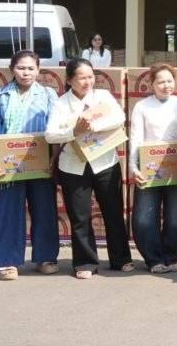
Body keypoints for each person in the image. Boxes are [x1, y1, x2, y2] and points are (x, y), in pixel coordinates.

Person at [46, 57, 132, 278]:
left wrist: (93, 126)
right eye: (81, 78)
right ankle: (85, 262)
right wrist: (74, 131)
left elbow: (120, 117)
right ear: (69, 80)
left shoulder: (102, 96)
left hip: (105, 163)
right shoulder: (60, 103)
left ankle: (121, 258)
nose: (87, 82)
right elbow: (50, 134)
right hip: (73, 167)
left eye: (90, 76)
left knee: (113, 212)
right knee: (80, 217)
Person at [0, 50, 59, 280]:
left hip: (40, 161)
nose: (26, 73)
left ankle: (46, 257)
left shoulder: (48, 94)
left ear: (38, 70)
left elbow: (56, 127)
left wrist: (54, 157)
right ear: (12, 69)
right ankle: (7, 262)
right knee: (8, 213)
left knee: (44, 210)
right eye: (21, 68)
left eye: (31, 68)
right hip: (8, 163)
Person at [129, 63, 177, 274]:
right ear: (152, 84)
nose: (166, 85)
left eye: (170, 81)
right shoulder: (142, 106)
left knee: (176, 217)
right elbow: (136, 138)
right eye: (161, 82)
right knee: (144, 217)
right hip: (149, 168)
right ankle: (153, 259)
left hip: (176, 167)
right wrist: (133, 167)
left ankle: (170, 257)